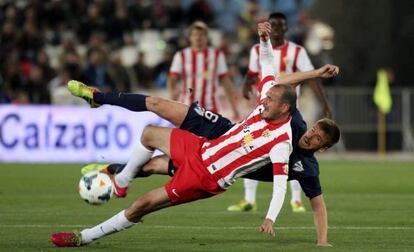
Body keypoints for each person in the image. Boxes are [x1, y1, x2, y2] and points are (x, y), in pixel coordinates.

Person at [50, 22, 339, 247]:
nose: (262, 100)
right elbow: (268, 68)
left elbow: (279, 187)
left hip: (207, 176)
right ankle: (120, 171)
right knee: (150, 132)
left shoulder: (282, 143)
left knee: (141, 205)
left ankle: (84, 237)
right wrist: (263, 39)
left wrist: (271, 218)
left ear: (284, 108)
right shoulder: (276, 105)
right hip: (202, 146)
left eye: (269, 100)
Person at [235, 12, 333, 213]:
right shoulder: (257, 49)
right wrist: (246, 86)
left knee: (295, 153)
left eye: (281, 25)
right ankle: (249, 199)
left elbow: (311, 78)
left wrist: (324, 103)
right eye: (274, 25)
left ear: (286, 28)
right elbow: (253, 73)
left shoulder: (297, 51)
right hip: (264, 108)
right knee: (252, 147)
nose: (277, 29)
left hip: (289, 112)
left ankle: (296, 199)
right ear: (270, 27)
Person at [168, 21, 240, 120]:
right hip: (187, 107)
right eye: (195, 35)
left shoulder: (217, 55)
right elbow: (172, 79)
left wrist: (234, 109)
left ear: (206, 37)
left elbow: (226, 81)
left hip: (211, 109)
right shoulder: (181, 55)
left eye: (201, 34)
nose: (198, 37)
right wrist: (173, 103)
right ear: (190, 37)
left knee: (211, 136)